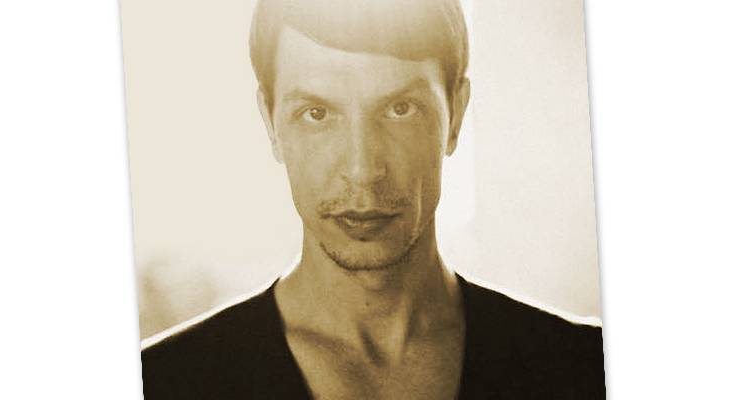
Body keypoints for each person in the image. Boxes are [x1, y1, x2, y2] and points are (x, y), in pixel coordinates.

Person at [140, 0, 606, 398]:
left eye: (400, 109)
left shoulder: (589, 369)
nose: (363, 169)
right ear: (270, 123)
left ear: (456, 114)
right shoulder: (159, 383)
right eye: (317, 113)